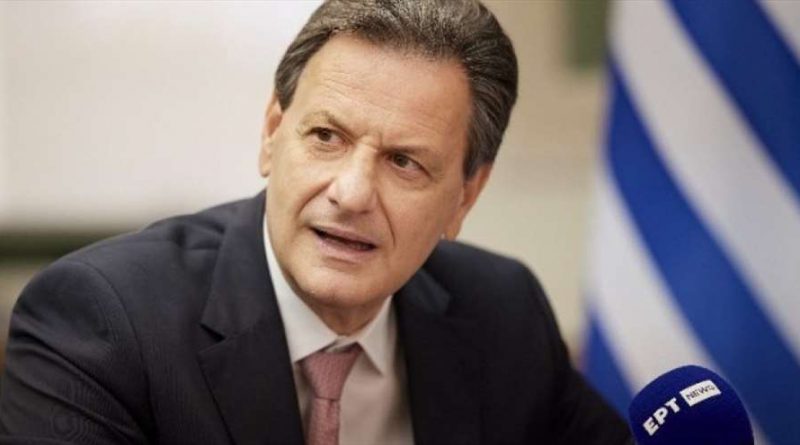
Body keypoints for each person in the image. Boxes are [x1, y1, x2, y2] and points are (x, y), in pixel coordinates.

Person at [0, 1, 631, 444]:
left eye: (404, 162)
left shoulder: (501, 313)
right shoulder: (104, 322)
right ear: (273, 134)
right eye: (327, 136)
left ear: (467, 194)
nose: (351, 194)